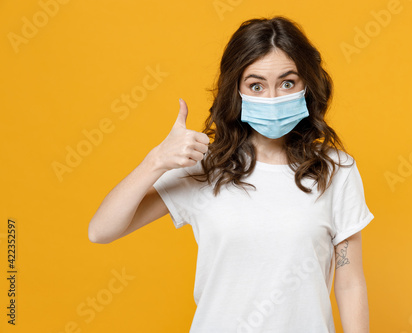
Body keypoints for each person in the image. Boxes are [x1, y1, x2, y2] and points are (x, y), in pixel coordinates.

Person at [88, 15, 374, 333]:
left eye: (287, 83)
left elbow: (350, 284)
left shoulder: (335, 171)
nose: (273, 97)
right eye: (256, 85)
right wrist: (155, 161)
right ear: (236, 91)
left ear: (307, 85)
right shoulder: (205, 167)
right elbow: (101, 231)